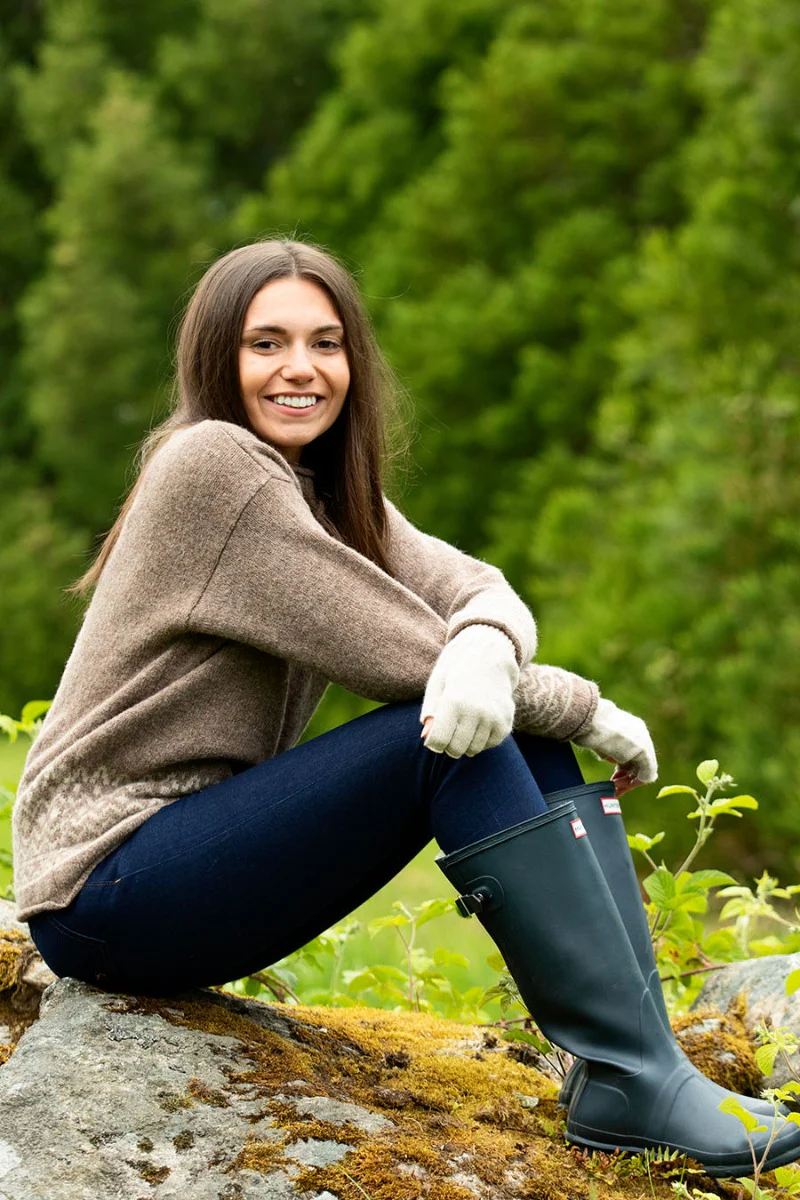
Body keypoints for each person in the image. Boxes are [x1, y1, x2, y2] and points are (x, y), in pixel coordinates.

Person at [12, 239, 799, 1177]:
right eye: (267, 344)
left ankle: (639, 1070)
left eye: (326, 343)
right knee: (454, 739)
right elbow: (404, 659)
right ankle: (636, 1076)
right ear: (216, 361)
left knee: (509, 728)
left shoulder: (326, 494)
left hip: (184, 873)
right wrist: (580, 706)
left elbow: (482, 588)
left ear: (354, 362)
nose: (301, 368)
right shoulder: (212, 468)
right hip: (105, 885)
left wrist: (483, 647)